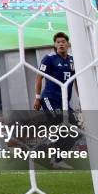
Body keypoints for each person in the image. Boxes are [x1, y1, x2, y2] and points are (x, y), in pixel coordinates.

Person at [33, 32, 77, 170]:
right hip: (49, 98)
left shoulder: (73, 60)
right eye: (58, 42)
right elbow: (39, 77)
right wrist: (37, 97)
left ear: (68, 44)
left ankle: (57, 159)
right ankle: (40, 150)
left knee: (76, 130)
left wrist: (81, 98)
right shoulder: (49, 59)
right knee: (60, 125)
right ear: (55, 45)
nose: (61, 44)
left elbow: (76, 81)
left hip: (64, 102)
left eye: (63, 41)